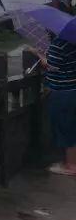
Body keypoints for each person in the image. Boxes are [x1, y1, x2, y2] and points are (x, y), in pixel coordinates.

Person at [28, 36, 76, 176]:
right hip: (73, 88)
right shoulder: (71, 41)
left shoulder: (59, 43)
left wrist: (37, 53)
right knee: (72, 125)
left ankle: (71, 166)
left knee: (65, 127)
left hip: (64, 92)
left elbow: (51, 66)